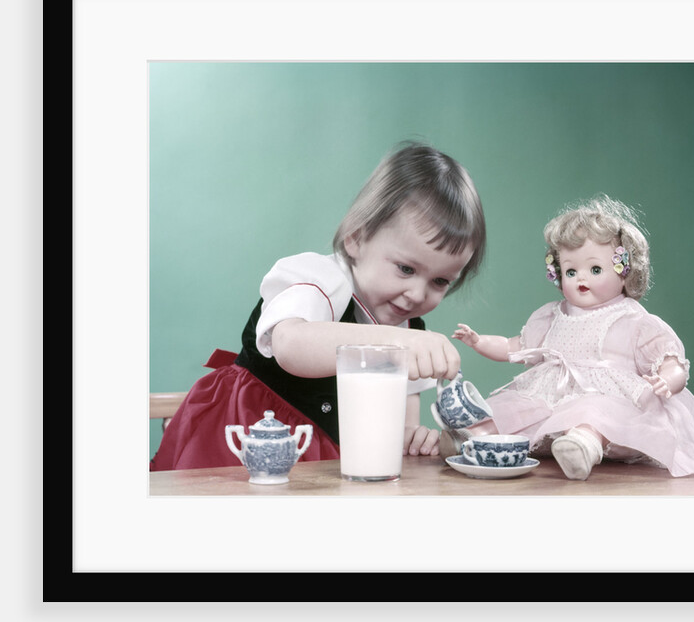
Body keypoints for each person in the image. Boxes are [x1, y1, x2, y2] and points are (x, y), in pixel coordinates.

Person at [151, 141, 487, 471]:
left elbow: (401, 416)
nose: (416, 294)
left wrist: (410, 436)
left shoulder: (409, 327)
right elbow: (291, 345)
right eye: (406, 269)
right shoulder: (321, 281)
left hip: (328, 457)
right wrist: (396, 343)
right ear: (356, 237)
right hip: (247, 437)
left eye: (440, 281)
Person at [448, 195, 694, 480]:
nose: (581, 278)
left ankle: (583, 445)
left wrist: (668, 379)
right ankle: (473, 438)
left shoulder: (633, 320)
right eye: (571, 271)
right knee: (512, 407)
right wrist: (479, 341)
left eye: (595, 269)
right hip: (550, 398)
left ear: (625, 272)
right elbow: (515, 347)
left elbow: (671, 360)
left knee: (595, 412)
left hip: (608, 399)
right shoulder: (551, 316)